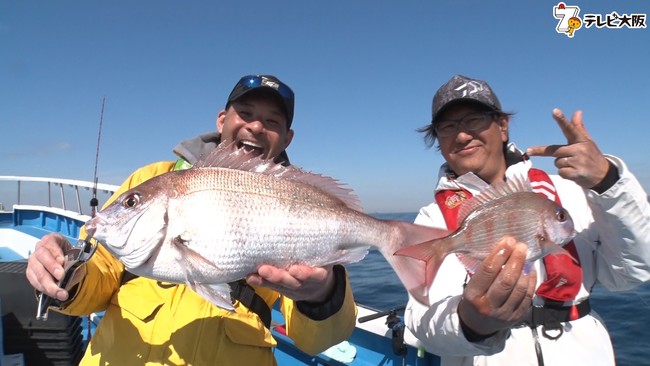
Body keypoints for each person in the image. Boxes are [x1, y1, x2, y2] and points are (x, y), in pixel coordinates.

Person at [25, 74, 357, 365]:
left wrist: (321, 294)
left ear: (287, 139)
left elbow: (317, 341)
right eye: (246, 113)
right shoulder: (152, 178)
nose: (256, 126)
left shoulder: (296, 203)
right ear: (222, 120)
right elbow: (99, 274)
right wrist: (65, 272)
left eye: (272, 121)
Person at [404, 74, 650, 365]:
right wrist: (470, 322)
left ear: (502, 125)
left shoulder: (574, 191)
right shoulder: (431, 218)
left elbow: (631, 273)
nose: (461, 135)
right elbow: (420, 323)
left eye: (474, 120)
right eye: (447, 127)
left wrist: (608, 182)